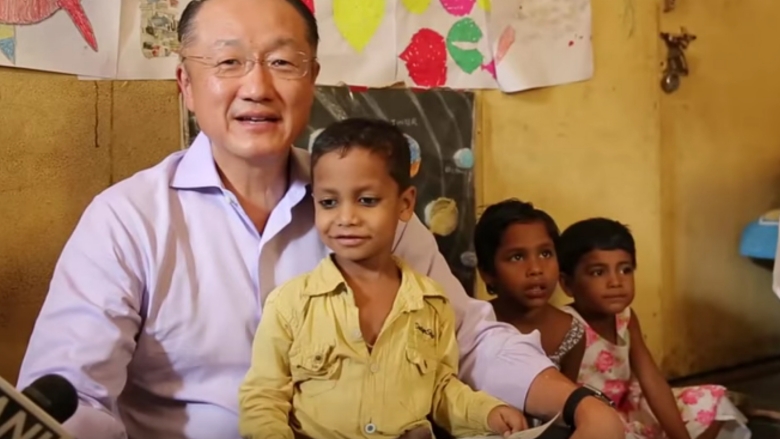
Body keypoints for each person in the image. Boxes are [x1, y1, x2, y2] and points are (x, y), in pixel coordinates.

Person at [15, 0, 624, 438]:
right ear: (186, 84)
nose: (256, 87)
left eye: (282, 63)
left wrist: (579, 404)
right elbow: (72, 394)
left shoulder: (367, 205)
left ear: (312, 80)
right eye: (227, 63)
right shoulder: (127, 221)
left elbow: (466, 337)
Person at [238, 118, 527, 439]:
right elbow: (264, 398)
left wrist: (486, 412)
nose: (346, 218)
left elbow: (442, 389)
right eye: (329, 202)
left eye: (367, 200)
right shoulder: (290, 304)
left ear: (404, 204)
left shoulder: (431, 303)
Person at [557, 218, 751, 439]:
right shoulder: (565, 324)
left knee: (712, 400)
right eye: (598, 272)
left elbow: (652, 381)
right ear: (567, 284)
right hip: (596, 419)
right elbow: (562, 399)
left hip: (630, 406)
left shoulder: (626, 318)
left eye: (625, 270)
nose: (616, 282)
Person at [474, 199, 585, 383]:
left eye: (545, 254)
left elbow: (566, 402)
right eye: (517, 257)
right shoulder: (473, 325)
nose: (536, 269)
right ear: (487, 272)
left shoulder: (570, 332)